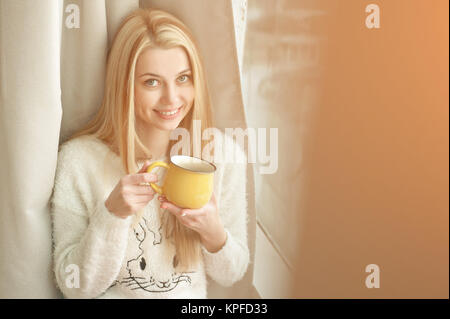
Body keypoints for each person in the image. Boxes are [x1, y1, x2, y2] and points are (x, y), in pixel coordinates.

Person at [50, 7, 249, 299]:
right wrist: (112, 215)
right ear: (125, 86)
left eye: (183, 78)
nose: (171, 98)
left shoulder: (222, 156)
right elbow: (75, 286)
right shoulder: (79, 161)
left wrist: (213, 232)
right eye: (151, 82)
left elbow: (232, 273)